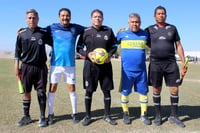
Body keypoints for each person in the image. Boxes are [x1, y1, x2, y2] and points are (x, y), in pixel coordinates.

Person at [145, 6, 186, 127]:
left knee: (174, 89)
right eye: (159, 13)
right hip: (155, 64)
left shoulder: (172, 28)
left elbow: (178, 45)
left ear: (166, 15)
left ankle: (174, 116)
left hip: (171, 63)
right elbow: (138, 37)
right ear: (154, 16)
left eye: (163, 13)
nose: (161, 15)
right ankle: (158, 115)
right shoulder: (149, 29)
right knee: (156, 89)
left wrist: (184, 61)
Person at [77, 9, 118, 126]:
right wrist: (86, 54)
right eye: (95, 17)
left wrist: (109, 55)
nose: (97, 18)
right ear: (91, 19)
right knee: (89, 91)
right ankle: (88, 116)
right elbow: (78, 48)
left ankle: (107, 115)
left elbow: (114, 46)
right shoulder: (85, 31)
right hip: (90, 66)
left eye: (100, 17)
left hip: (105, 66)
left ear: (103, 18)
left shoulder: (108, 31)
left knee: (107, 91)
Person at [46, 8, 85, 125]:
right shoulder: (52, 28)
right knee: (52, 89)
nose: (65, 18)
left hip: (70, 65)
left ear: (70, 17)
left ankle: (74, 113)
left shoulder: (75, 28)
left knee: (72, 89)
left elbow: (89, 29)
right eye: (63, 15)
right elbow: (38, 30)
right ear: (59, 17)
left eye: (67, 15)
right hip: (55, 65)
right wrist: (23, 30)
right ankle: (50, 113)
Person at [14, 9, 52, 127]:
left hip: (41, 68)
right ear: (26, 19)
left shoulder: (43, 32)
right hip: (26, 67)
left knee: (41, 92)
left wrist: (51, 58)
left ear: (38, 19)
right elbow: (17, 53)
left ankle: (42, 117)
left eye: (34, 17)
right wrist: (16, 67)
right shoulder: (21, 34)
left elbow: (54, 44)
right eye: (29, 18)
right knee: (26, 92)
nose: (32, 20)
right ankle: (26, 116)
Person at [116, 13, 151, 125]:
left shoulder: (145, 35)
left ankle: (144, 115)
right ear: (128, 23)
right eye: (133, 22)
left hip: (141, 71)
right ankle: (126, 113)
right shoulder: (121, 34)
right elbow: (112, 45)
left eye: (137, 22)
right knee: (125, 93)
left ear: (140, 23)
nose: (135, 24)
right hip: (127, 71)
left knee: (143, 93)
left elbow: (154, 46)